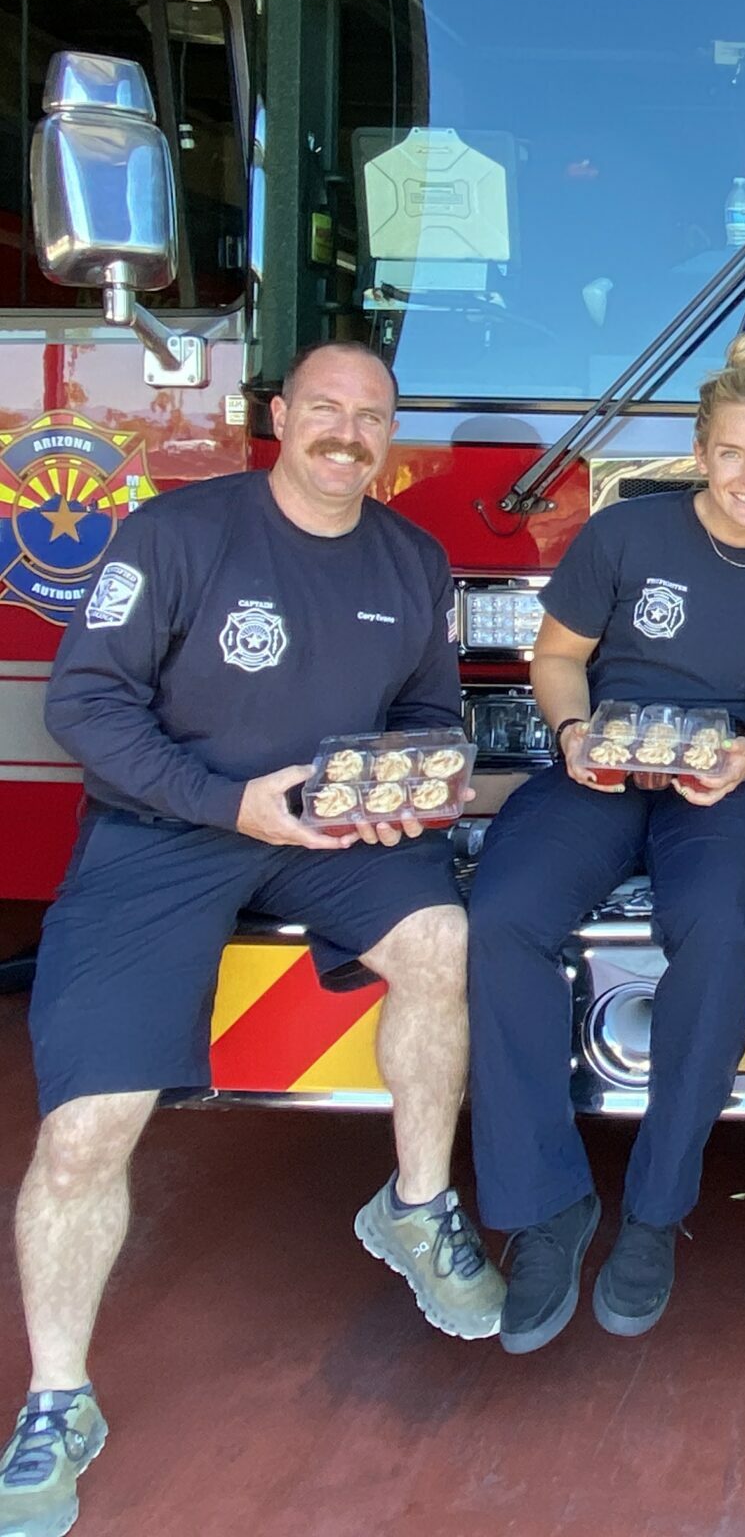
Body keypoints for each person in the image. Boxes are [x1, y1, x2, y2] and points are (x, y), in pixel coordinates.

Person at [2, 341, 504, 1537]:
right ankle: (58, 1397)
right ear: (280, 416)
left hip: (330, 833)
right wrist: (228, 801)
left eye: (371, 415)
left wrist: (399, 790)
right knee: (84, 1130)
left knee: (442, 941)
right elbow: (83, 702)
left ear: (391, 436)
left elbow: (430, 716)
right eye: (325, 408)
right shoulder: (180, 536)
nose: (347, 431)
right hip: (169, 829)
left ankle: (418, 1206)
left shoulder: (412, 559)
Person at [465, 333, 745, 1354]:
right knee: (502, 915)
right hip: (605, 767)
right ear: (703, 454)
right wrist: (576, 737)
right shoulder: (627, 534)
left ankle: (656, 1211)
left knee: (717, 932)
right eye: (734, 454)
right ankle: (545, 1206)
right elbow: (559, 657)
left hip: (725, 783)